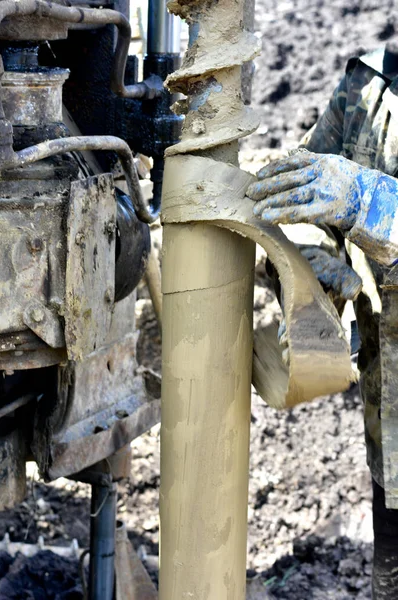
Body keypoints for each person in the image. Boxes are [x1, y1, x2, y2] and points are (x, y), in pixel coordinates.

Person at [246, 44, 398, 599]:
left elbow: (351, 198)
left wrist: (368, 201)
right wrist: (310, 262)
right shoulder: (368, 88)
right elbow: (307, 187)